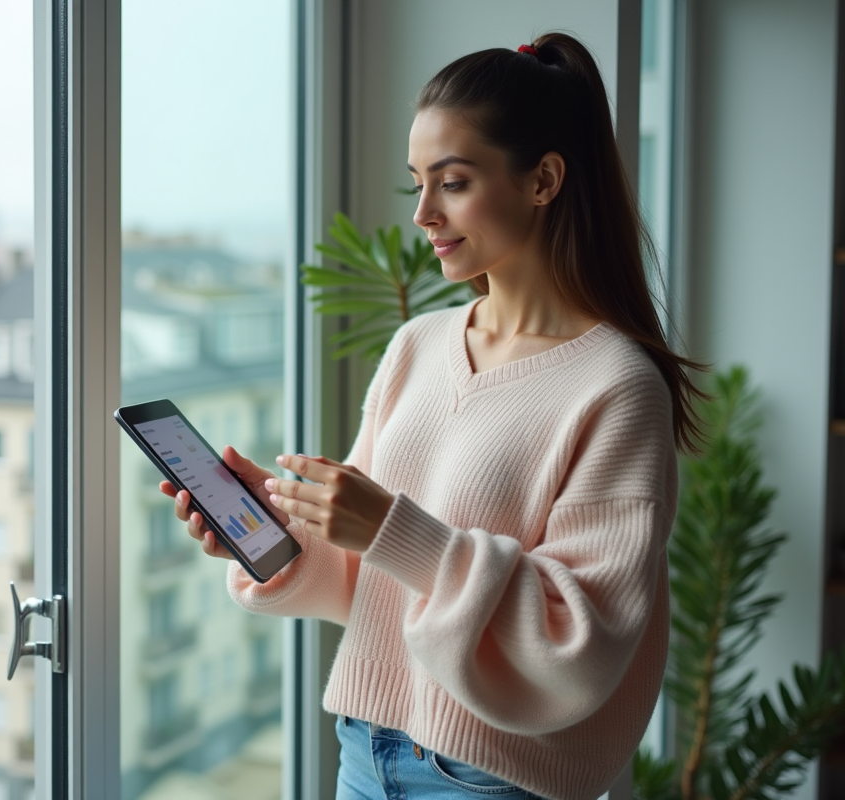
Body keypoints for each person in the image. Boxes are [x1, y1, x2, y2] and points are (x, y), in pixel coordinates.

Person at [161, 32, 704, 800]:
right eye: (417, 182)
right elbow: (367, 579)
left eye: (451, 183)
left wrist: (393, 530)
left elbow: (579, 640)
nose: (422, 213)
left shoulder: (617, 387)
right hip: (364, 752)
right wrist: (272, 538)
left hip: (491, 780)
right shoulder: (419, 344)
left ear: (544, 179)